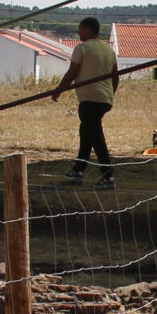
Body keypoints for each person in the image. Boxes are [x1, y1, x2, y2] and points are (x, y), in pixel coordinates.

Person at [51, 16, 120, 187]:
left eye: (80, 29)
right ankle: (78, 170)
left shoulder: (82, 48)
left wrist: (58, 90)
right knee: (87, 132)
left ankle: (108, 176)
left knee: (96, 137)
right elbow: (115, 77)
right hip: (103, 99)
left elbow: (72, 72)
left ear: (88, 30)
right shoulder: (108, 50)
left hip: (90, 99)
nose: (78, 32)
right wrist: (109, 94)